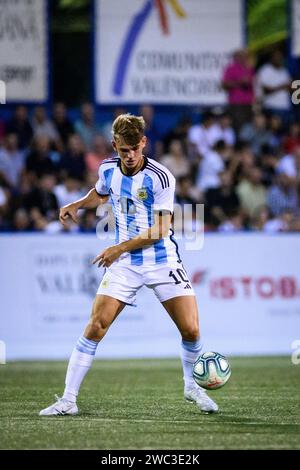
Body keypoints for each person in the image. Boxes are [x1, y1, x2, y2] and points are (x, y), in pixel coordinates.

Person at [39, 114, 218, 416]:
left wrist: (117, 247)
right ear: (115, 146)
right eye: (124, 150)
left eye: (135, 148)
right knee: (96, 326)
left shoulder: (161, 178)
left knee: (191, 328)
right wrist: (77, 204)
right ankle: (68, 400)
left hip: (161, 260)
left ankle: (192, 386)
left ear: (144, 143)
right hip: (126, 264)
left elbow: (160, 230)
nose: (131, 155)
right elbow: (100, 192)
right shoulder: (108, 169)